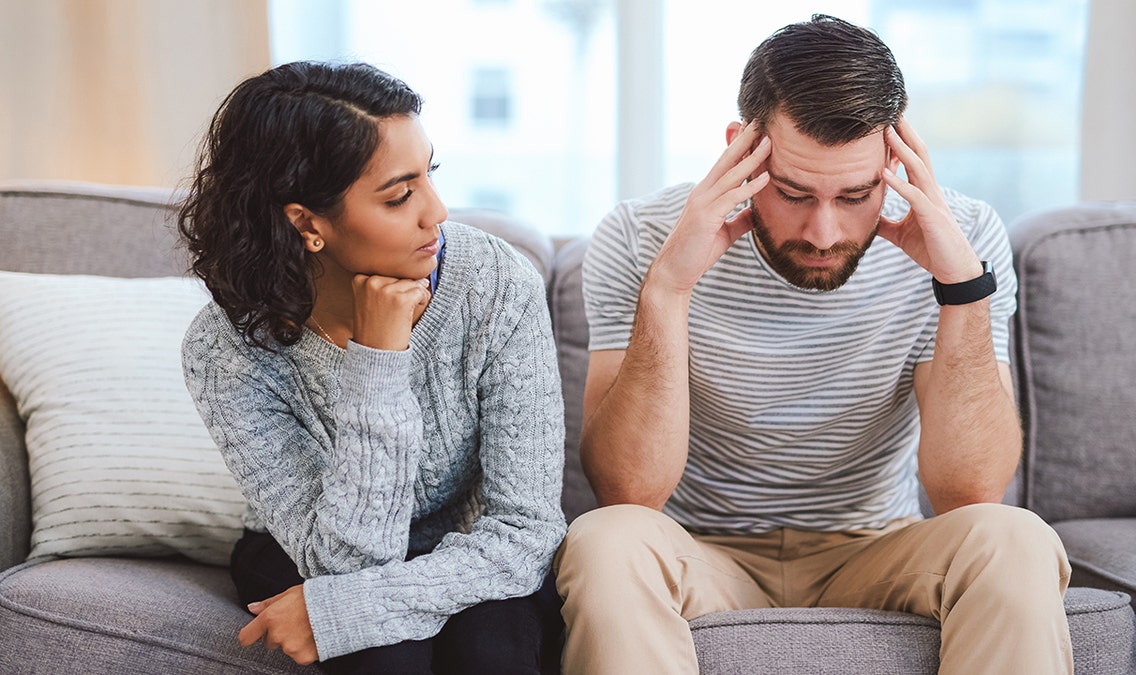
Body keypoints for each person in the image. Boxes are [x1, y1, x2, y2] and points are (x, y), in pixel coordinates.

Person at [555, 14, 1073, 675]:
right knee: (603, 539)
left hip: (876, 548)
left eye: (856, 195)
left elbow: (968, 490)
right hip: (700, 549)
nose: (824, 232)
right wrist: (668, 289)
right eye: (794, 193)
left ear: (894, 160)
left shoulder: (962, 236)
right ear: (740, 149)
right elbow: (629, 488)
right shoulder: (640, 235)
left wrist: (960, 288)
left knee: (1017, 538)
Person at [177, 61, 566, 675]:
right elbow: (346, 566)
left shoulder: (496, 284)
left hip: (473, 549)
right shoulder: (225, 350)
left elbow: (525, 528)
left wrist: (345, 611)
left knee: (491, 649)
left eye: (429, 174)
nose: (436, 212)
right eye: (399, 195)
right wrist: (379, 362)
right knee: (382, 653)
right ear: (307, 223)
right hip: (309, 547)